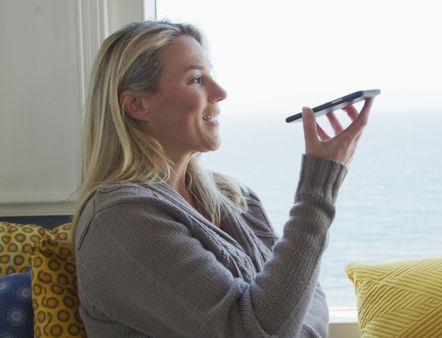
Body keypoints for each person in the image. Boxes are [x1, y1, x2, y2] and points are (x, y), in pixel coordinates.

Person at [72, 20, 373, 337]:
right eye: (196, 80)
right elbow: (257, 331)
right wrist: (317, 193)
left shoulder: (234, 196)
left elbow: (305, 295)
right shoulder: (121, 222)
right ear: (136, 104)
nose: (220, 92)